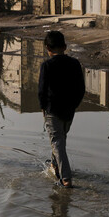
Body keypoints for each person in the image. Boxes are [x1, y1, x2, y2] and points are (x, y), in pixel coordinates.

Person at [38, 31, 85, 188]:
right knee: (60, 139)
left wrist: (43, 107)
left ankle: (66, 179)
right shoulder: (75, 64)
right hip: (69, 110)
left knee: (58, 142)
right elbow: (80, 89)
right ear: (64, 47)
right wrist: (74, 104)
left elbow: (42, 91)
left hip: (53, 110)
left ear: (47, 48)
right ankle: (55, 165)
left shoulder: (47, 66)